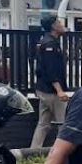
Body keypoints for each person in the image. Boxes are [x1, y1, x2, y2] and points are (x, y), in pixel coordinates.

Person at [32, 15, 69, 149]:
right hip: (51, 91)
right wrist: (59, 91)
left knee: (43, 123)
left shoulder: (46, 41)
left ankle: (33, 151)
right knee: (63, 123)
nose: (61, 24)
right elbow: (51, 70)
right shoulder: (50, 44)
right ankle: (62, 153)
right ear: (53, 26)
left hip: (44, 90)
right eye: (59, 22)